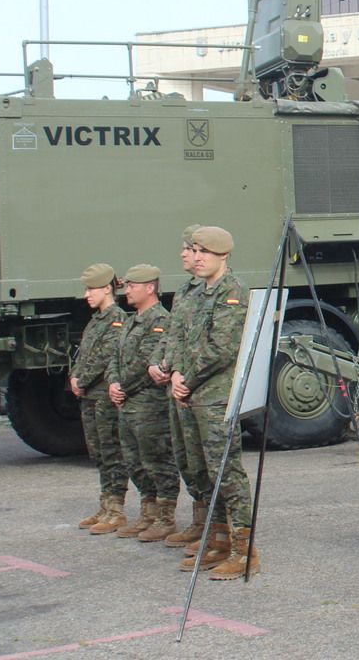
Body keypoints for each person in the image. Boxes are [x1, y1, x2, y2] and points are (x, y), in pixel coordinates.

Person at [171, 225, 260, 579]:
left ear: (222, 255)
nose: (196, 257)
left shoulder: (230, 292)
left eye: (203, 252)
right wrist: (176, 373)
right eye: (194, 250)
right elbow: (181, 338)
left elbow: (220, 350)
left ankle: (244, 550)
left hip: (216, 397)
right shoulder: (198, 293)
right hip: (192, 394)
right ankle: (220, 540)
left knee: (227, 473)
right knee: (204, 473)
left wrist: (187, 378)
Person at [149, 226, 212, 550]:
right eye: (187, 248)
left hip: (196, 387)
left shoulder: (211, 291)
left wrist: (182, 376)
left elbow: (211, 345)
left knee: (206, 461)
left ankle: (216, 530)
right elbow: (173, 335)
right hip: (178, 385)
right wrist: (160, 365)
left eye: (190, 248)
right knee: (186, 458)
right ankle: (200, 521)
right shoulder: (186, 290)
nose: (185, 254)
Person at [107, 264, 180, 541]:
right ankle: (148, 513)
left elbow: (145, 362)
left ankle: (165, 518)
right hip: (128, 404)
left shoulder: (160, 320)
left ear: (150, 288)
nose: (127, 290)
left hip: (149, 405)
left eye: (132, 286)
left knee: (157, 459)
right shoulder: (131, 320)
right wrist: (113, 382)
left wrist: (122, 387)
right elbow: (116, 356)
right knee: (134, 461)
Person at [69, 263, 128, 534]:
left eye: (91, 289)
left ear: (107, 289)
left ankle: (116, 509)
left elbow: (105, 356)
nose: (87, 295)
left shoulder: (116, 319)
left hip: (103, 395)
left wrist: (81, 380)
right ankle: (105, 505)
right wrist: (73, 376)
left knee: (111, 450)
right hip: (90, 396)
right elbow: (82, 355)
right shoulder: (96, 321)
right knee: (99, 453)